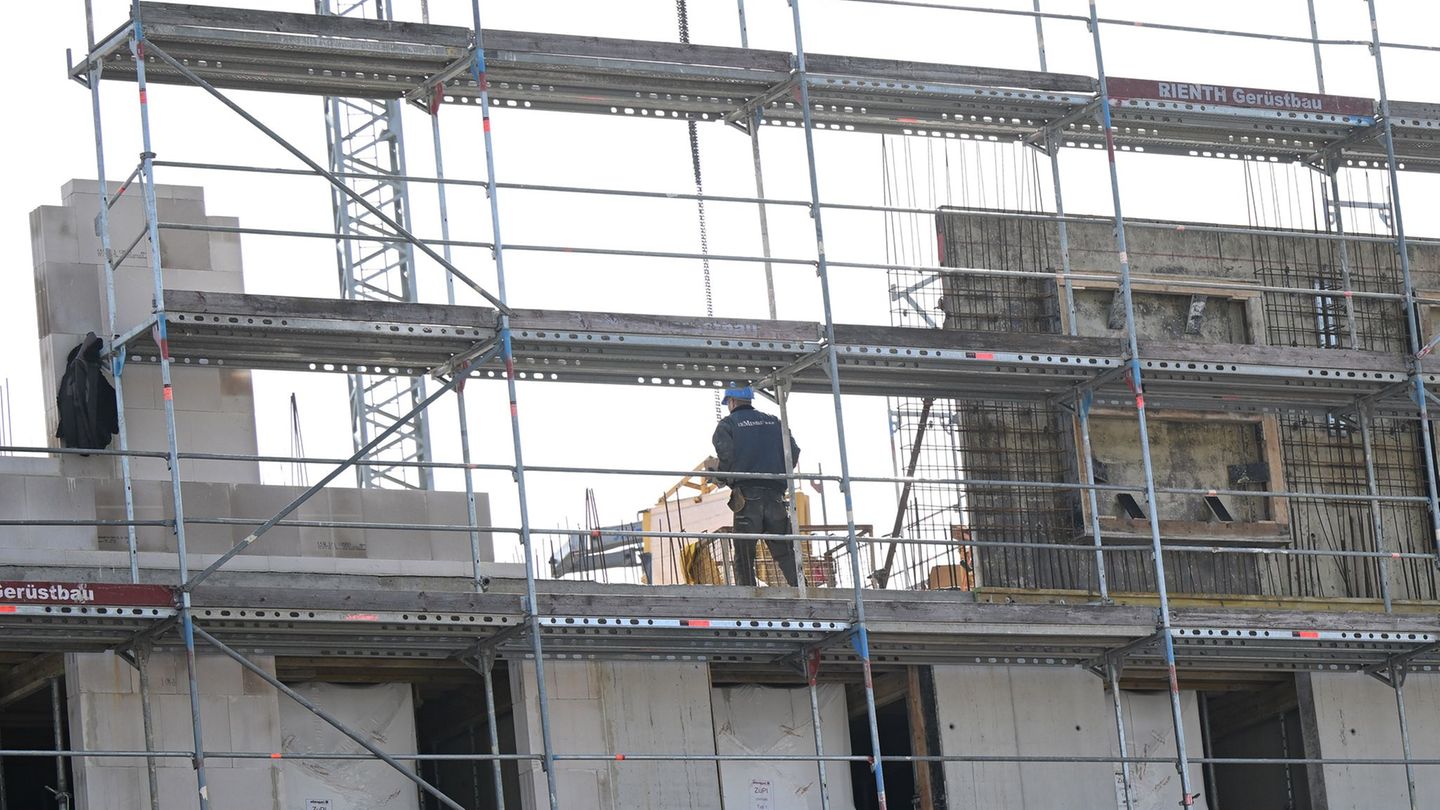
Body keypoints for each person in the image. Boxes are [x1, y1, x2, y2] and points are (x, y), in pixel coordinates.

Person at [710, 386, 801, 587]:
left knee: (744, 554)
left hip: (747, 498)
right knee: (785, 552)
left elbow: (726, 456)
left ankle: (748, 599)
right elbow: (793, 453)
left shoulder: (728, 424)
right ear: (750, 400)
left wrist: (720, 477)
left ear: (731, 401)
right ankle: (801, 591)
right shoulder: (774, 422)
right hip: (776, 498)